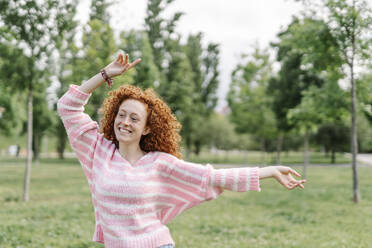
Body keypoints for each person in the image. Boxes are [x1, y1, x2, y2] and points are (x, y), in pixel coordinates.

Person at [57, 52, 306, 248]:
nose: (125, 122)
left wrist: (270, 171)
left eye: (134, 118)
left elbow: (212, 177)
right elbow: (68, 107)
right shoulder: (98, 152)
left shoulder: (160, 163)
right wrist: (105, 74)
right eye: (121, 115)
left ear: (146, 128)